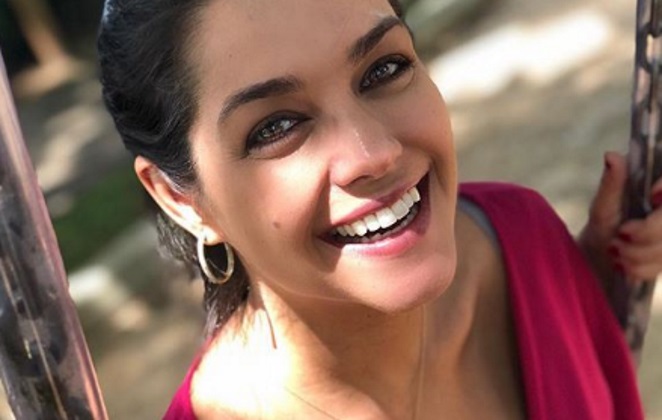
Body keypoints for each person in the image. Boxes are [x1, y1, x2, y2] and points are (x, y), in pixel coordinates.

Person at [97, 0, 662, 418]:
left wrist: (593, 288)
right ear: (180, 199)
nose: (374, 153)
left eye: (383, 70)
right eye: (275, 127)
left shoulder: (524, 240)